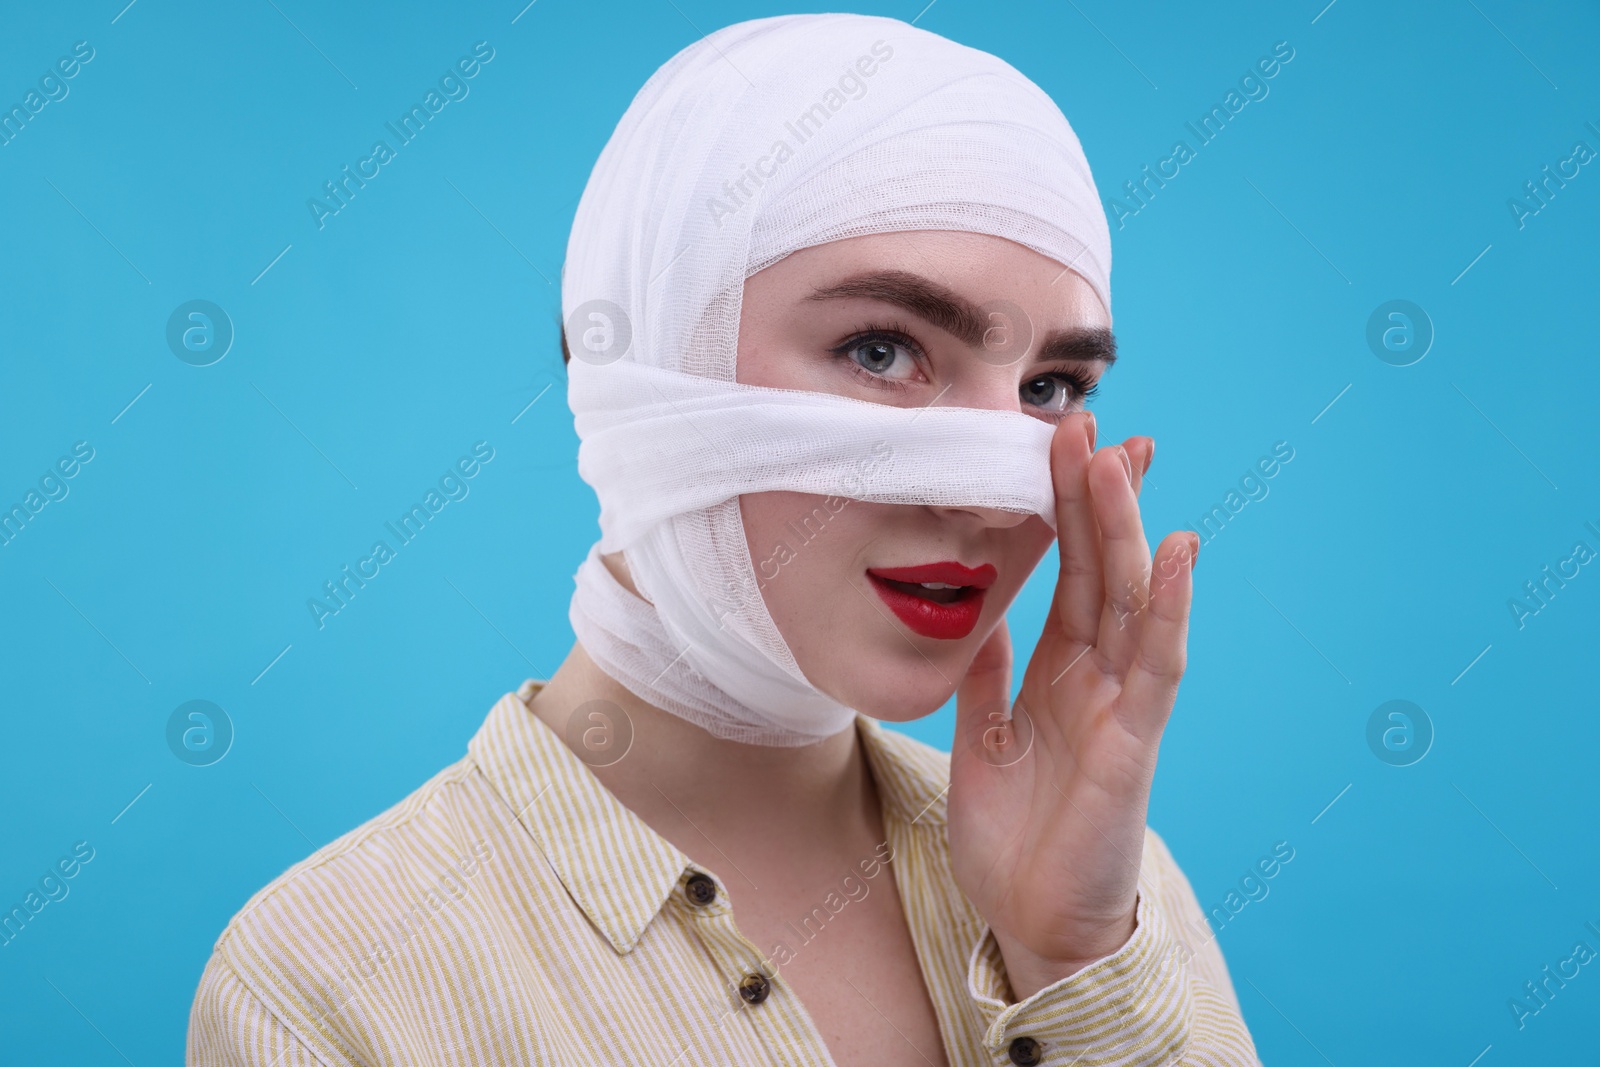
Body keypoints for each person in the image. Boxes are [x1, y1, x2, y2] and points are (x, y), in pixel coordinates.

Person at [188, 13, 1260, 1066]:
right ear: (637, 353)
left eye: (1049, 387)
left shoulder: (1110, 893)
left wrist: (1072, 970)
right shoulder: (328, 986)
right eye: (880, 349)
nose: (988, 497)